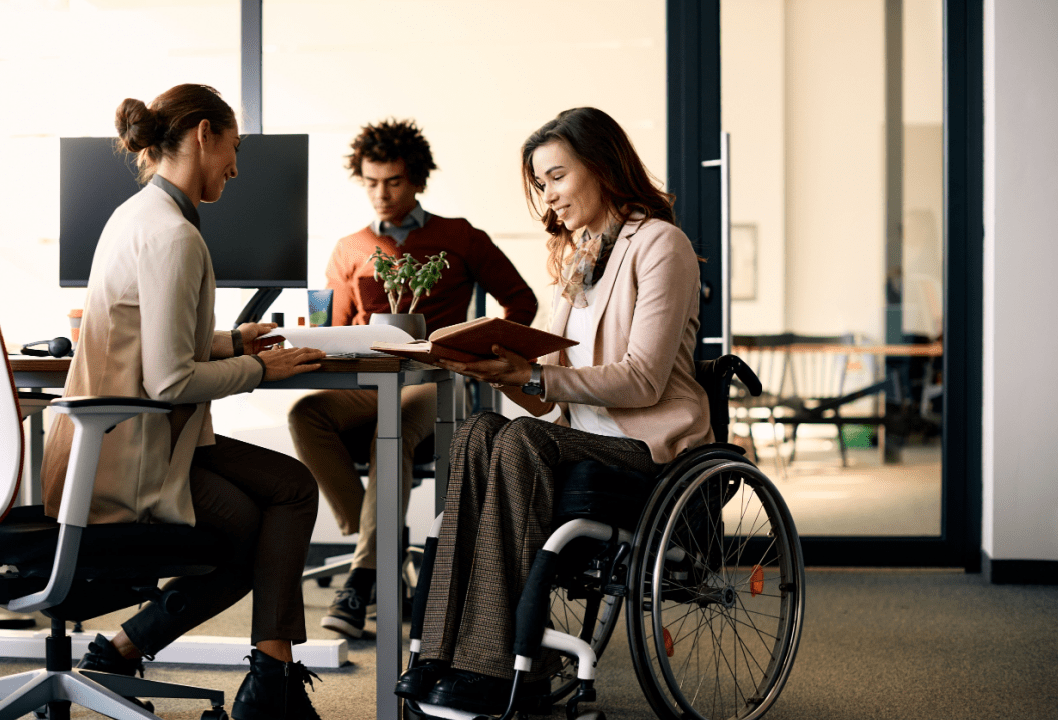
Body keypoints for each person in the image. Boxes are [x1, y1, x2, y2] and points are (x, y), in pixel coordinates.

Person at [393, 107, 714, 716]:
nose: (548, 198)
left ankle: (495, 667)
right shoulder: (580, 257)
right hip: (577, 437)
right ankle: (441, 651)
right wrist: (494, 368)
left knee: (518, 444)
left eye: (557, 178)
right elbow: (550, 392)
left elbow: (643, 380)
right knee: (482, 430)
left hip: (647, 448)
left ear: (602, 165)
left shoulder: (660, 245)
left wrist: (534, 372)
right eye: (540, 184)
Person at [39, 83, 328, 720]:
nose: (236, 165)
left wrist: (230, 340)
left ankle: (132, 650)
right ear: (203, 134)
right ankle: (270, 684)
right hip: (133, 458)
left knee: (290, 488)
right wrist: (259, 367)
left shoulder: (138, 214)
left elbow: (153, 343)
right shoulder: (174, 236)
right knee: (264, 531)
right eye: (232, 146)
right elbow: (171, 383)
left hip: (121, 442)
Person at [288, 118, 538, 638]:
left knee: (395, 422)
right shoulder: (349, 248)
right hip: (368, 384)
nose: (381, 194)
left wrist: (475, 349)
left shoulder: (460, 236)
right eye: (371, 182)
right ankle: (379, 551)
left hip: (439, 381)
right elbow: (334, 325)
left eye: (393, 182)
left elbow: (522, 301)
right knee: (304, 413)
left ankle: (362, 578)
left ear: (417, 180)